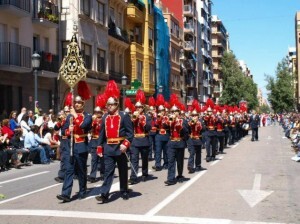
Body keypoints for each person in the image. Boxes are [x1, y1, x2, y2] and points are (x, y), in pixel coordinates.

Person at [95, 80, 133, 203]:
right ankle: (104, 194)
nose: (109, 106)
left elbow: (130, 134)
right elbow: (101, 134)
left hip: (120, 148)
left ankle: (124, 190)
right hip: (108, 148)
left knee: (123, 171)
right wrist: (99, 146)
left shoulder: (124, 116)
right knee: (108, 172)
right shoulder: (105, 117)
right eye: (108, 104)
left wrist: (125, 144)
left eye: (111, 105)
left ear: (117, 105)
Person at [56, 95, 92, 202]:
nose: (76, 104)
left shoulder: (87, 116)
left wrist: (75, 115)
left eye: (79, 102)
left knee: (81, 170)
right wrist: (68, 130)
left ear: (83, 104)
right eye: (75, 102)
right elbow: (63, 131)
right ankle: (66, 194)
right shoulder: (69, 117)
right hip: (70, 146)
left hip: (81, 146)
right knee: (69, 170)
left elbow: (83, 125)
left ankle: (82, 190)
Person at [129, 90, 152, 184]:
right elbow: (129, 127)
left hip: (144, 139)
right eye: (137, 107)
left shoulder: (147, 117)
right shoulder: (132, 116)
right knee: (134, 159)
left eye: (140, 107)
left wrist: (142, 121)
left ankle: (145, 174)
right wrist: (133, 119)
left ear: (143, 108)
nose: (138, 109)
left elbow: (149, 128)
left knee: (144, 159)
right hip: (135, 140)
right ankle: (133, 176)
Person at [164, 100, 189, 185]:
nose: (174, 113)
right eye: (173, 111)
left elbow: (187, 132)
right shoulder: (169, 120)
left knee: (179, 161)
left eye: (176, 111)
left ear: (179, 112)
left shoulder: (183, 121)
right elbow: (164, 127)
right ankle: (171, 178)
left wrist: (180, 127)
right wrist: (167, 121)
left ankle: (180, 175)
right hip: (171, 142)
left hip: (180, 142)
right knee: (171, 160)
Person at [187, 101, 206, 173]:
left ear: (198, 116)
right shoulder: (189, 121)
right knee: (192, 153)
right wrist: (191, 123)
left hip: (198, 139)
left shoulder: (201, 121)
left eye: (195, 115)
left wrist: (199, 124)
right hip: (191, 139)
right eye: (193, 115)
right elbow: (187, 128)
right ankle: (190, 166)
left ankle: (198, 165)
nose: (194, 117)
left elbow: (204, 129)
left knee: (198, 153)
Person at [88, 106, 104, 183]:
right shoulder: (92, 120)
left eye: (98, 112)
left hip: (101, 141)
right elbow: (88, 129)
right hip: (94, 140)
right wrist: (92, 122)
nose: (97, 114)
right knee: (94, 160)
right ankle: (92, 175)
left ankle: (103, 174)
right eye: (96, 112)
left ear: (101, 113)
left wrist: (96, 122)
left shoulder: (103, 120)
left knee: (102, 159)